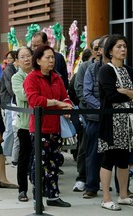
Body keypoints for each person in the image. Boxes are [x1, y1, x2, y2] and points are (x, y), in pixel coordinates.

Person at [24, 45, 72, 208]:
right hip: (39, 128)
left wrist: (66, 105)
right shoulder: (31, 78)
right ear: (38, 60)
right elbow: (34, 100)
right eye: (48, 58)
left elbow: (65, 96)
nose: (52, 61)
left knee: (54, 162)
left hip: (55, 127)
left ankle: (53, 196)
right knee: (40, 162)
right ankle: (38, 197)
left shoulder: (57, 77)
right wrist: (56, 103)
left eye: (53, 57)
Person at [98, 34, 133, 210]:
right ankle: (105, 198)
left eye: (125, 46)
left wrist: (125, 91)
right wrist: (129, 93)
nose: (123, 49)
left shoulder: (128, 69)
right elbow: (112, 95)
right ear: (110, 50)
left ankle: (123, 195)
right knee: (108, 158)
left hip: (127, 123)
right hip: (111, 123)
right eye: (119, 46)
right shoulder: (106, 70)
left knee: (124, 159)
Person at [72, 37, 101, 192]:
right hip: (87, 113)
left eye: (101, 48)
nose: (98, 51)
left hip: (105, 115)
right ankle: (82, 178)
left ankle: (97, 179)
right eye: (96, 48)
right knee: (86, 147)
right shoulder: (85, 67)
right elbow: (80, 90)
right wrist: (91, 107)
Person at [82, 35, 109, 199]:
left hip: (115, 117)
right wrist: (102, 108)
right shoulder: (91, 69)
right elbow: (87, 93)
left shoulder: (122, 68)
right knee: (92, 153)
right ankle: (91, 186)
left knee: (118, 155)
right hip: (95, 117)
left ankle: (123, 189)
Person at [11, 46, 34, 202]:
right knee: (24, 158)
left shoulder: (38, 74)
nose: (26, 59)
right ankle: (22, 190)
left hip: (41, 124)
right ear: (17, 61)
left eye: (28, 56)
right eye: (22, 57)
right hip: (25, 124)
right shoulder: (17, 78)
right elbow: (24, 96)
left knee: (39, 158)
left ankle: (40, 187)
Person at [0, 50, 19, 164]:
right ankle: (3, 154)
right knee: (10, 129)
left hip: (13, 102)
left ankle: (8, 153)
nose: (9, 61)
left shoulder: (16, 69)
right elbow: (11, 89)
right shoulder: (9, 70)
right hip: (9, 102)